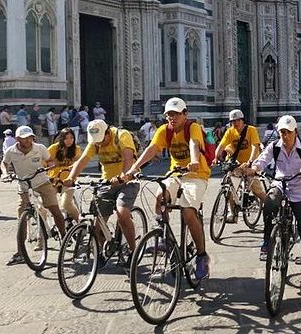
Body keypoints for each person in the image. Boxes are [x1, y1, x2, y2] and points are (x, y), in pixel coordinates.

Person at [122, 97, 211, 280]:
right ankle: (165, 238)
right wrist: (133, 169)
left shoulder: (192, 127)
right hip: (176, 174)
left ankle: (202, 256)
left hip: (197, 174)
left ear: (185, 114)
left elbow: (194, 144)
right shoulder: (164, 130)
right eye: (169, 114)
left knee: (187, 212)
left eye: (176, 114)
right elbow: (151, 149)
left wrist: (194, 161)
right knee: (160, 196)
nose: (172, 118)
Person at [246, 115, 301, 294]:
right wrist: (253, 169)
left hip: (299, 189)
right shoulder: (274, 147)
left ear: (295, 132)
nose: (285, 136)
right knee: (270, 202)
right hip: (279, 184)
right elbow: (261, 161)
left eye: (288, 132)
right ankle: (267, 240)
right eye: (282, 132)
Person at [64, 119, 139, 267]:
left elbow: (128, 159)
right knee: (97, 224)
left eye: (101, 140)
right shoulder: (95, 141)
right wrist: (71, 178)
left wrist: (124, 176)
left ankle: (133, 251)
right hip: (106, 182)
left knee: (122, 214)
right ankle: (105, 249)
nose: (98, 144)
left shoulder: (121, 136)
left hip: (128, 181)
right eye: (95, 141)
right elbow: (83, 160)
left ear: (107, 133)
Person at [4, 126, 65, 266]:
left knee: (55, 209)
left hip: (41, 181)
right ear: (18, 139)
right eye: (25, 138)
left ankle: (64, 236)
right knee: (22, 217)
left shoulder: (40, 148)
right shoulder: (11, 151)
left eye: (30, 137)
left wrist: (49, 167)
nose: (28, 140)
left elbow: (50, 161)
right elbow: (4, 163)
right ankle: (20, 252)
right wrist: (5, 173)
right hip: (23, 185)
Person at [213, 109, 264, 223]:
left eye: (237, 121)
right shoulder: (230, 131)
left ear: (242, 120)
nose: (235, 123)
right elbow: (222, 145)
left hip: (249, 163)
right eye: (233, 121)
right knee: (230, 187)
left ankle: (273, 207)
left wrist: (250, 161)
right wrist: (216, 156)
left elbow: (255, 147)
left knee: (257, 190)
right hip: (235, 163)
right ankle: (232, 213)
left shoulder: (251, 130)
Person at [48, 128, 82, 222]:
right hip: (54, 179)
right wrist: (49, 163)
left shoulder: (76, 149)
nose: (69, 141)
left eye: (71, 138)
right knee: (45, 204)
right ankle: (44, 230)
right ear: (61, 139)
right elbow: (44, 161)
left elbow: (78, 162)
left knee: (66, 204)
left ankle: (81, 223)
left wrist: (74, 166)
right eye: (66, 138)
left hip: (68, 180)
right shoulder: (53, 148)